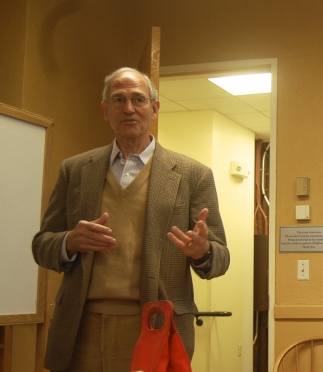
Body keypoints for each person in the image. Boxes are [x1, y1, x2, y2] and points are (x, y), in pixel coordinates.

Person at [32, 67, 230, 372]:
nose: (128, 108)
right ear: (105, 110)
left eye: (138, 99)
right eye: (118, 100)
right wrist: (68, 241)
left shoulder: (193, 174)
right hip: (79, 328)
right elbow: (42, 245)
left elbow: (221, 259)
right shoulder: (75, 170)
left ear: (154, 108)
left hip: (155, 327)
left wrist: (203, 251)